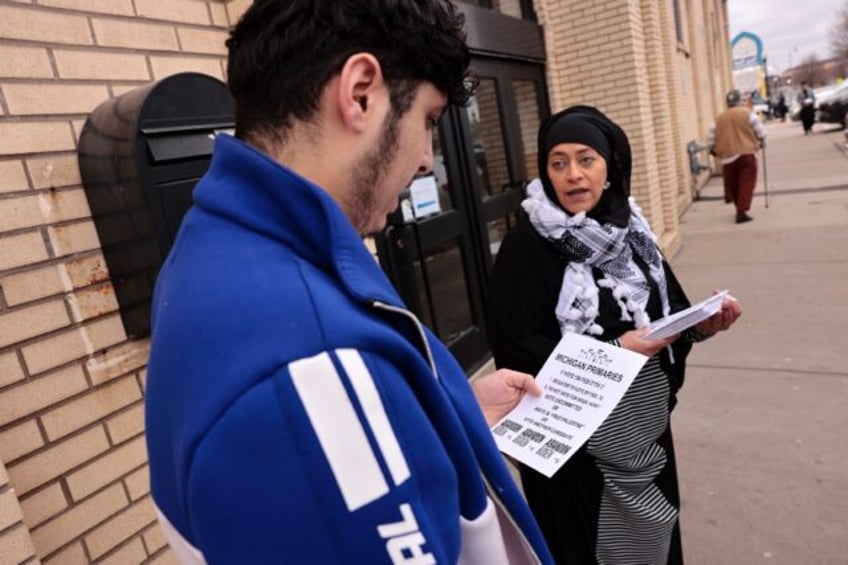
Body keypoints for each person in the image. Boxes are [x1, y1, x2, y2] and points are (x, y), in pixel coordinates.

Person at [143, 2, 555, 564]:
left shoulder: (217, 244)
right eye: (429, 121)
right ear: (361, 92)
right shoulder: (312, 372)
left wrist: (440, 411)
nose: (426, 162)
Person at [486, 105, 743, 565]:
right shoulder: (526, 246)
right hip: (576, 443)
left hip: (642, 429)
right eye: (558, 162)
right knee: (593, 546)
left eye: (586, 159)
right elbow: (515, 347)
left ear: (610, 167)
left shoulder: (632, 231)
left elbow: (669, 311)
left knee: (653, 539)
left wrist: (700, 325)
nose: (573, 174)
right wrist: (615, 351)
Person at [708, 89, 766, 224]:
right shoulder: (748, 114)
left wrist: (713, 149)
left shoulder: (719, 118)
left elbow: (711, 136)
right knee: (746, 183)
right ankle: (741, 211)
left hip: (727, 156)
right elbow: (761, 131)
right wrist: (762, 141)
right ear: (739, 101)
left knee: (733, 184)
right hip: (747, 153)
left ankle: (738, 207)